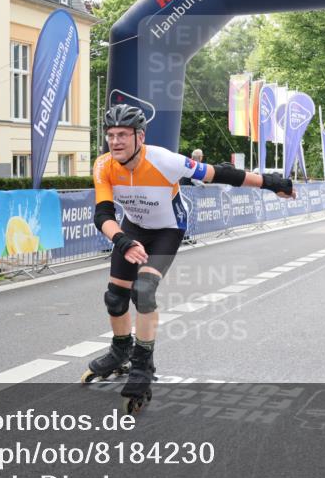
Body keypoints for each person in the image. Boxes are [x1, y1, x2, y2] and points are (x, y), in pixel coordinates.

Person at [84, 105, 296, 412]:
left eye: (122, 135)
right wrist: (122, 240)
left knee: (143, 292)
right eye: (111, 135)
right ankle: (120, 351)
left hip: (168, 228)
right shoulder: (103, 164)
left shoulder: (164, 161)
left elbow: (219, 173)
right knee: (115, 298)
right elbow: (103, 213)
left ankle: (143, 365)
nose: (115, 141)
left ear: (139, 137)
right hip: (131, 229)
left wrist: (271, 182)